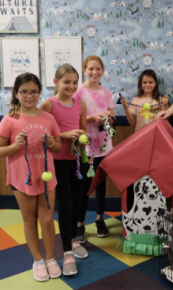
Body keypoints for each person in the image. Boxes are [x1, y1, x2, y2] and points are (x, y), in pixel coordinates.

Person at [0, 73, 62, 281]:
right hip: (22, 178)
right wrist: (14, 146)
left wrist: (51, 142)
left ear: (39, 93)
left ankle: (51, 258)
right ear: (16, 93)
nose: (29, 96)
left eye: (34, 91)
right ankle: (37, 260)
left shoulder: (49, 118)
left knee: (47, 220)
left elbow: (59, 147)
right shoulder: (10, 119)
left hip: (46, 178)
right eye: (24, 91)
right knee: (29, 220)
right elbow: (1, 150)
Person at [39, 65, 88, 276]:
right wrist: (65, 135)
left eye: (75, 82)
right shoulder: (48, 104)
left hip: (77, 161)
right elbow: (43, 134)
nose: (71, 86)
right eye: (66, 82)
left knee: (77, 201)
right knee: (66, 204)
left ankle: (74, 240)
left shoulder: (81, 104)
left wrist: (82, 137)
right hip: (56, 162)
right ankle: (67, 252)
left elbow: (83, 128)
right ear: (56, 81)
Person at [73, 56, 115, 243]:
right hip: (86, 147)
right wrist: (91, 119)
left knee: (100, 184)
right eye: (90, 69)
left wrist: (107, 118)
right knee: (84, 187)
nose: (94, 72)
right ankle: (80, 223)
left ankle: (99, 219)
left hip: (104, 146)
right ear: (84, 70)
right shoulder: (79, 91)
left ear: (103, 71)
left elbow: (112, 117)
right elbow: (73, 117)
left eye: (98, 69)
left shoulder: (106, 92)